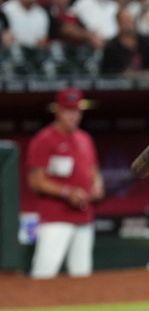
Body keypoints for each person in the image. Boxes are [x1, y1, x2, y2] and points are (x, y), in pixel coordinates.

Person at [27, 88, 104, 279]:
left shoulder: (85, 139)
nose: (73, 116)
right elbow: (36, 181)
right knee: (44, 274)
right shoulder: (44, 139)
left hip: (84, 216)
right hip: (56, 218)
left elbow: (93, 172)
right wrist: (66, 192)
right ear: (58, 111)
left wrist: (97, 186)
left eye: (77, 110)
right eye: (68, 111)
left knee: (82, 275)